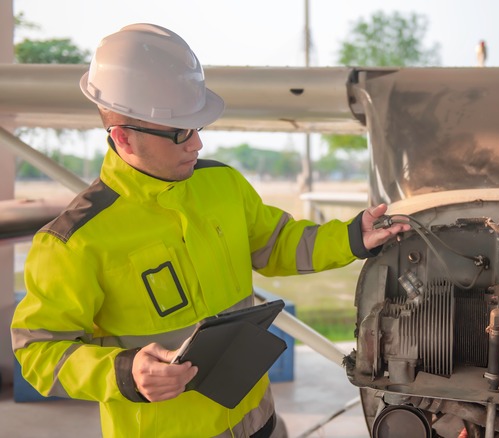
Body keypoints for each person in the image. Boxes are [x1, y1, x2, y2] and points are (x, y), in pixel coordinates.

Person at [10, 23, 408, 438]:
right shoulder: (73, 242)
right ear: (124, 139)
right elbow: (38, 351)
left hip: (259, 421)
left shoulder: (223, 185)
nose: (197, 144)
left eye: (198, 127)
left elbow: (277, 243)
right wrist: (123, 372)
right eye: (181, 132)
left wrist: (349, 237)